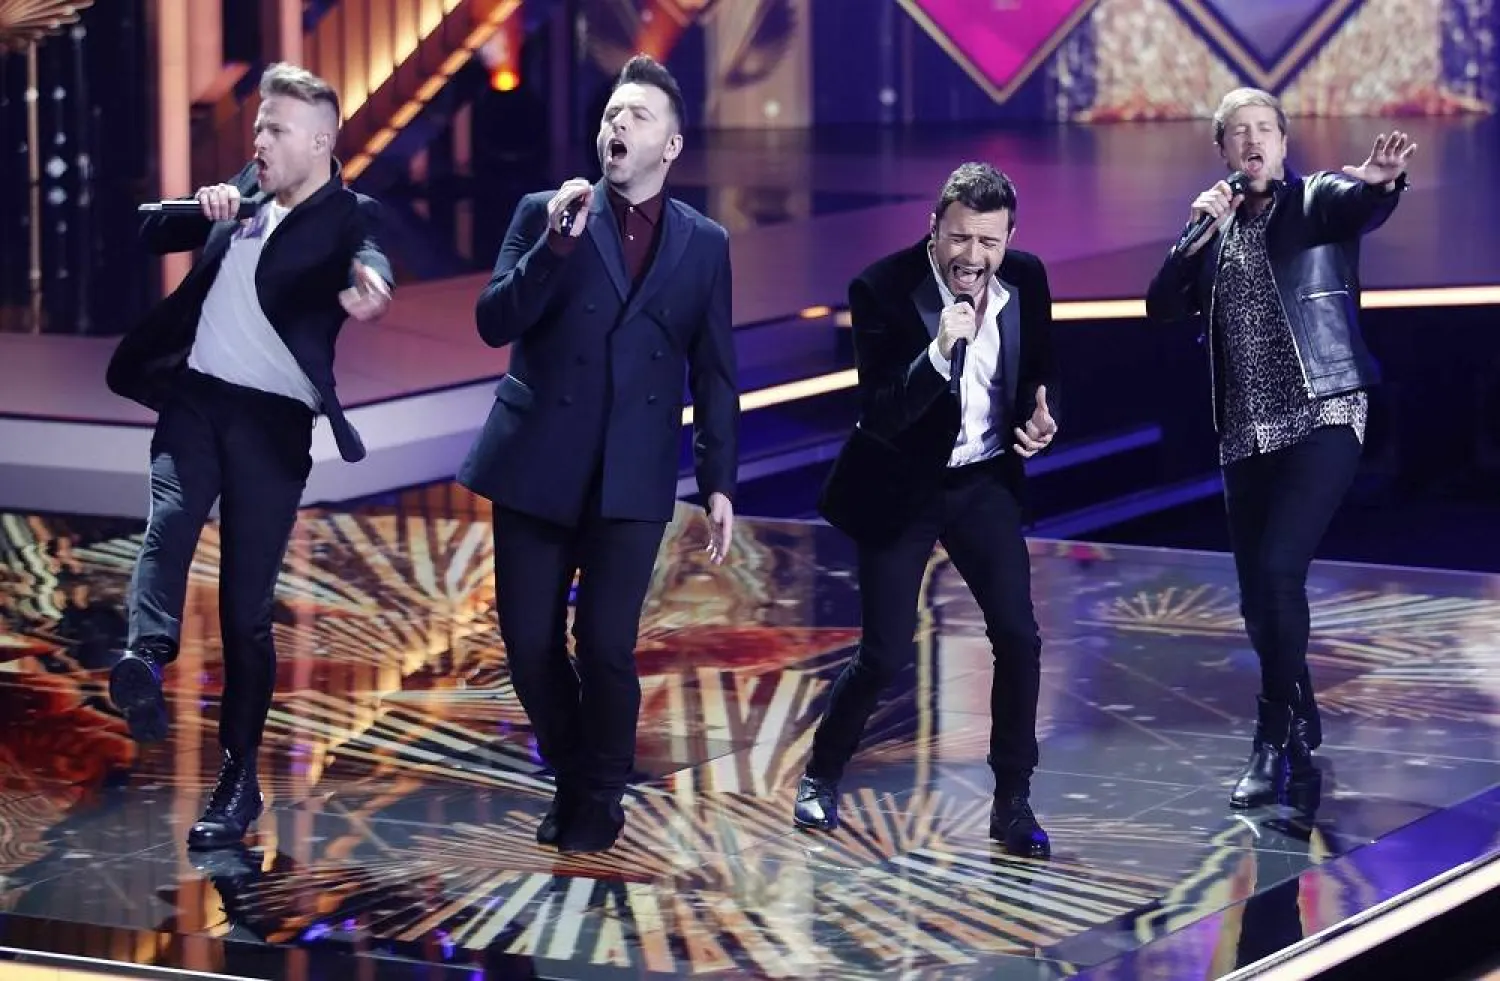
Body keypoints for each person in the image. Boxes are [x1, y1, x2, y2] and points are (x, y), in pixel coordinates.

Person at [105, 63, 392, 849]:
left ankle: (239, 781)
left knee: (245, 614)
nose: (258, 139)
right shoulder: (244, 188)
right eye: (259, 125)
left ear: (321, 143)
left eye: (275, 129)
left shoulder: (350, 215)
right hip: (197, 399)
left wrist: (370, 285)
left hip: (272, 425)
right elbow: (152, 230)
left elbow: (370, 257)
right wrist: (202, 207)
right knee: (169, 519)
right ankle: (144, 657)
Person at [457, 54, 739, 854]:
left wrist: (718, 478)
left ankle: (600, 791)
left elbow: (715, 370)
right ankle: (578, 772)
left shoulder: (704, 244)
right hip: (537, 463)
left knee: (606, 646)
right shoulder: (546, 212)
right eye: (613, 112)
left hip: (631, 473)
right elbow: (492, 320)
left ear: (670, 146)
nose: (618, 123)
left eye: (637, 115)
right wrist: (551, 247)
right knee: (530, 645)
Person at [1145, 87, 1415, 808]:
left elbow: (1356, 205)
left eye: (1264, 128)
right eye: (1238, 132)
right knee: (1255, 602)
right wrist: (1194, 232)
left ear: (1283, 143)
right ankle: (1298, 716)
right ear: (1222, 150)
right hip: (1246, 428)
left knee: (1278, 569)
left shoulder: (1312, 200)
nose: (1252, 140)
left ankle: (1269, 739)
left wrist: (1380, 184)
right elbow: (1161, 306)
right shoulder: (1217, 229)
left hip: (1323, 409)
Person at [797, 162, 1057, 859]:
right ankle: (822, 770)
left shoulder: (1027, 278)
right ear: (934, 227)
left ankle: (1012, 800)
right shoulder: (881, 289)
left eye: (989, 242)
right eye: (960, 237)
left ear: (1009, 240)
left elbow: (1040, 372)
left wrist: (1042, 416)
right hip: (901, 486)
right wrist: (940, 349)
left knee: (1019, 637)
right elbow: (881, 414)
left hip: (982, 482)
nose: (974, 256)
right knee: (884, 653)